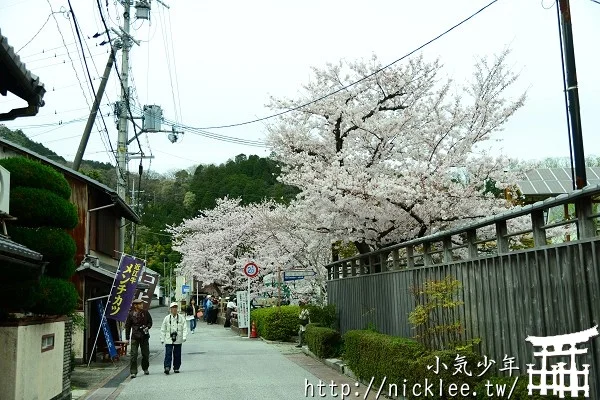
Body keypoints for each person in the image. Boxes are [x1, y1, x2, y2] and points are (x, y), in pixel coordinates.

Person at [124, 298, 153, 378]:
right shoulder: (131, 314)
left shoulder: (145, 313)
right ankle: (133, 372)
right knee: (133, 355)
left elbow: (150, 322)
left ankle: (145, 368)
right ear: (135, 305)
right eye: (139, 304)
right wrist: (127, 338)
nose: (141, 305)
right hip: (135, 336)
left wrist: (148, 327)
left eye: (141, 304)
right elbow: (128, 326)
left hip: (144, 336)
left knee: (146, 354)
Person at [160, 302, 188, 374]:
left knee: (177, 354)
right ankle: (167, 367)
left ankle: (176, 367)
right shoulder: (166, 318)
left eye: (175, 307)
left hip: (178, 338)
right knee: (168, 353)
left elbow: (185, 328)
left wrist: (184, 337)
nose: (174, 309)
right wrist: (162, 338)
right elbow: (163, 329)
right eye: (173, 308)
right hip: (169, 339)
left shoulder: (181, 318)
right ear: (170, 309)